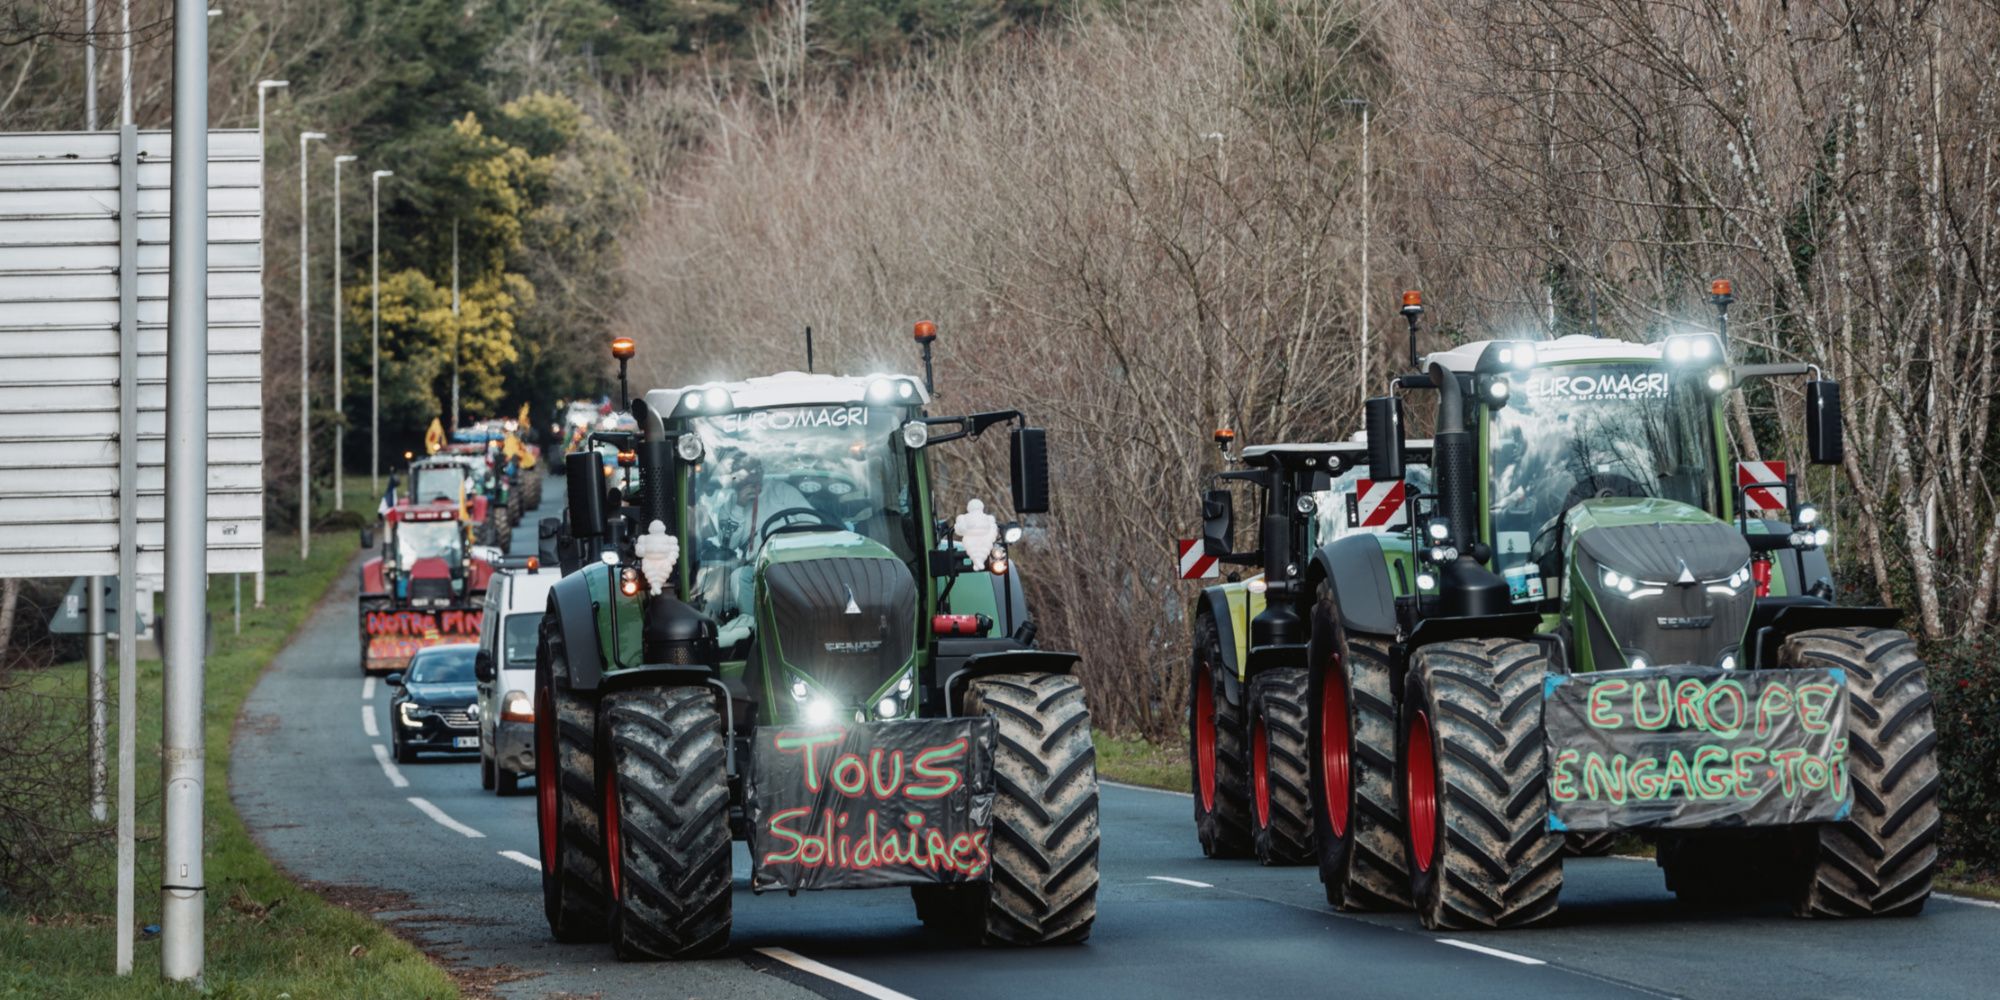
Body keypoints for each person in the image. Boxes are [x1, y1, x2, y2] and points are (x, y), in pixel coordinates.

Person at [699, 453, 816, 647]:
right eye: (746, 472)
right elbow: (728, 543)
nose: (753, 476)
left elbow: (811, 520)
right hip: (758, 566)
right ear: (736, 476)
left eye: (756, 471)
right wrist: (739, 506)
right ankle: (749, 623)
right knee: (739, 576)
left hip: (793, 558)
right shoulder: (729, 503)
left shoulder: (782, 491)